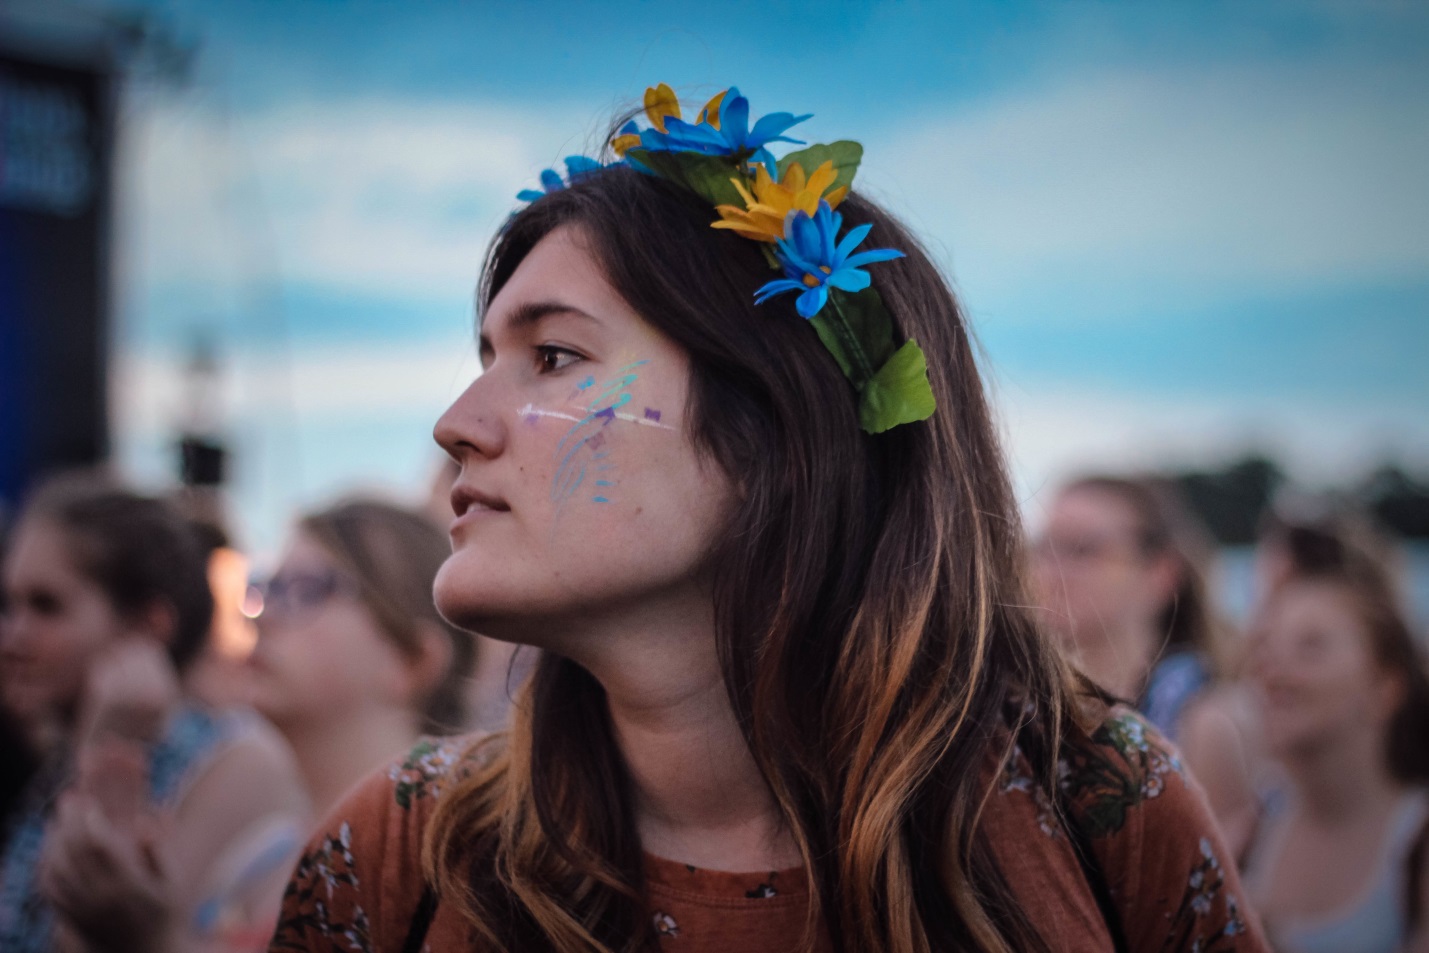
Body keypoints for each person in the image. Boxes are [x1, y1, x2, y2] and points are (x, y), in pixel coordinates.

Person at [269, 84, 1266, 953]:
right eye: (485, 358)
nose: (455, 426)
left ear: (774, 429)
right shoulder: (406, 850)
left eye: (556, 356)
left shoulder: (1098, 806)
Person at [0, 474, 309, 953]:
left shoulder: (230, 761)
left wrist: (107, 751)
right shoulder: (51, 747)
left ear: (148, 626)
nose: (12, 638)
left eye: (47, 607)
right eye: (9, 606)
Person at [1241, 542, 1429, 952]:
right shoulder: (1252, 825)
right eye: (1265, 645)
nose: (1271, 670)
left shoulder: (1415, 844)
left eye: (1311, 647)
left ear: (1386, 687)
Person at [244, 498, 477, 819]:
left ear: (412, 661)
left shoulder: (448, 857)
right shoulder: (261, 851)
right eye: (269, 588)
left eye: (304, 589)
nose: (262, 616)